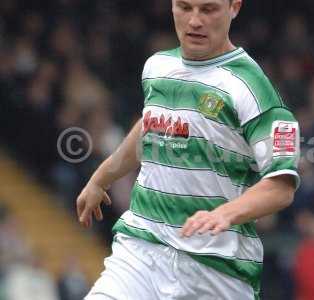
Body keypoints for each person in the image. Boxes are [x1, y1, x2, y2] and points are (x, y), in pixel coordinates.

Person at [77, 0, 300, 299]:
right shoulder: (157, 67)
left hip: (217, 269)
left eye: (208, 9)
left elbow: (281, 186)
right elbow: (151, 126)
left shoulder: (253, 89)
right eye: (185, 7)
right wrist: (100, 179)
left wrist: (226, 214)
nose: (194, 21)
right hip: (141, 252)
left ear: (234, 7)